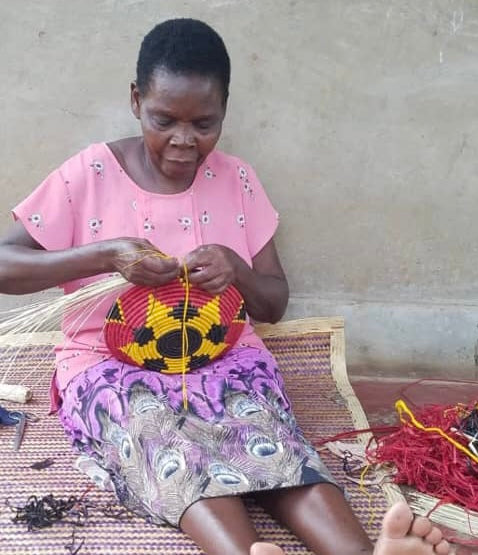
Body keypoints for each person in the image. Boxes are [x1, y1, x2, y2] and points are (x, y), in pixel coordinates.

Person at [0, 18, 450, 555]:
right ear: (136, 100)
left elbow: (274, 303)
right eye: (164, 119)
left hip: (224, 358)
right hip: (110, 365)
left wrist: (236, 267)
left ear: (224, 113)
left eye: (204, 124)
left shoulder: (237, 180)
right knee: (161, 440)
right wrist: (105, 254)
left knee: (266, 436)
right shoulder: (89, 174)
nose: (184, 141)